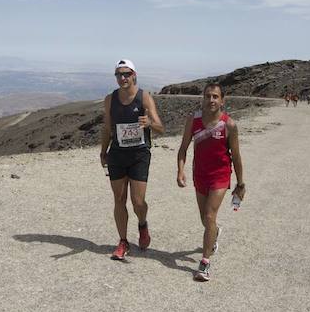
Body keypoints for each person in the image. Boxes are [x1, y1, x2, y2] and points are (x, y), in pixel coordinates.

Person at [176, 83, 245, 281]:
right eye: (208, 96)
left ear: (222, 100)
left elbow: (237, 157)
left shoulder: (229, 125)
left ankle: (205, 263)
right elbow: (183, 149)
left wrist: (240, 184)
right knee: (205, 220)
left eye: (215, 96)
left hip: (220, 175)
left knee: (209, 215)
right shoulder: (193, 120)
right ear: (203, 98)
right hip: (200, 175)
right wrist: (180, 171)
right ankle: (214, 234)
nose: (211, 100)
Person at [100, 59, 164, 261]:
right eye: (119, 74)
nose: (123, 78)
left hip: (139, 155)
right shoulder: (110, 99)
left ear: (134, 74)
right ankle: (123, 241)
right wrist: (103, 151)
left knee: (137, 201)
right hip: (117, 154)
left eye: (126, 73)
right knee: (119, 200)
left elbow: (161, 127)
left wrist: (150, 123)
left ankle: (142, 223)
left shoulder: (144, 97)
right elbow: (107, 128)